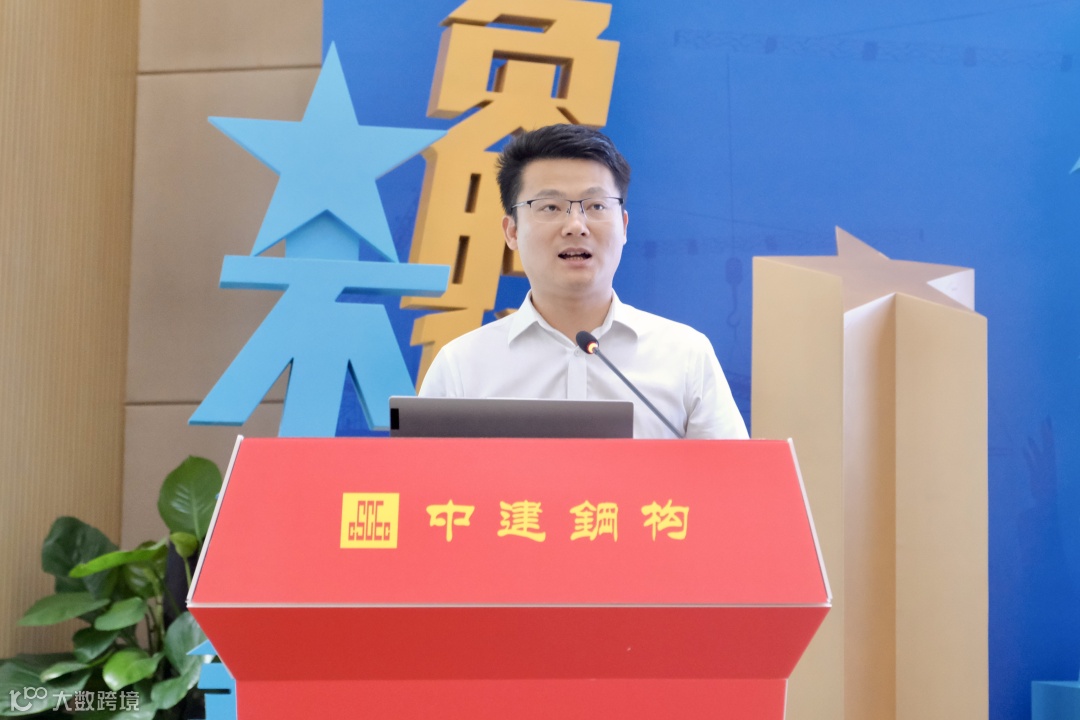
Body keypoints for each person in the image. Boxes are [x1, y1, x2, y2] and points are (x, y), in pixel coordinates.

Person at [419, 124, 748, 440]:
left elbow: (733, 475)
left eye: (596, 206)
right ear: (512, 231)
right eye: (550, 207)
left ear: (624, 226)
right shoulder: (462, 366)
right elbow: (423, 478)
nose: (576, 226)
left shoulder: (685, 356)